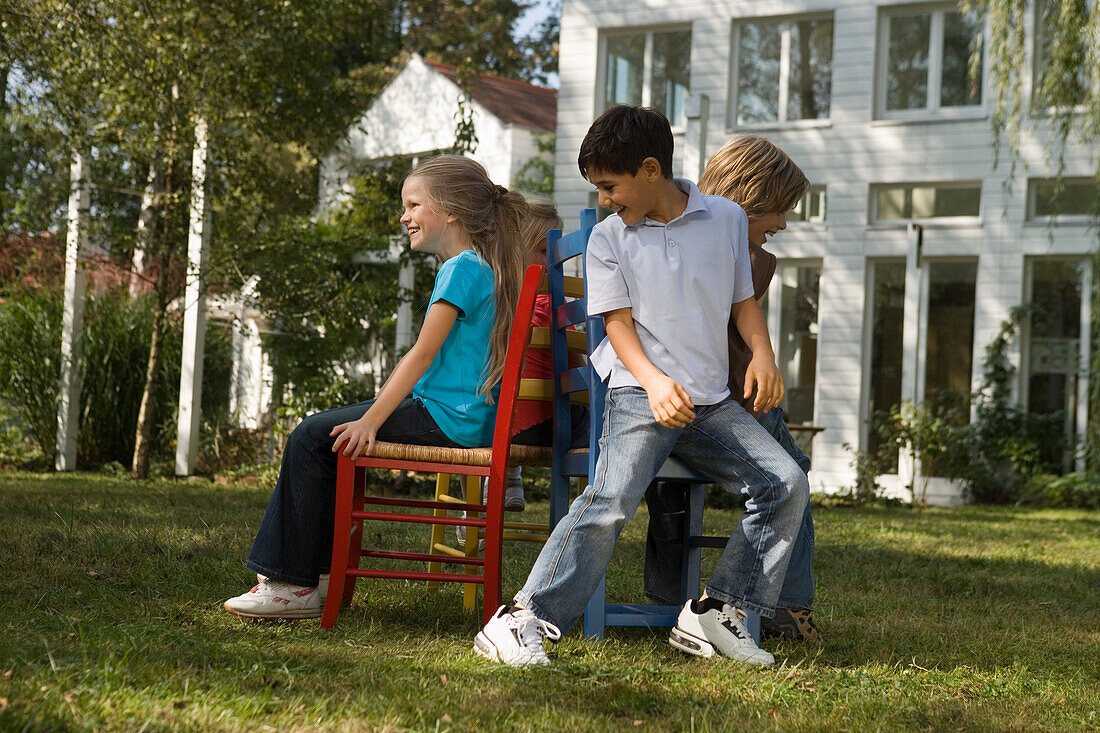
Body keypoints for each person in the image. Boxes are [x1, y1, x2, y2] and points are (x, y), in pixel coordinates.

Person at [473, 105, 809, 667]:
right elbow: (617, 325)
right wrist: (654, 384)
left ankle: (715, 612)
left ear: (651, 169)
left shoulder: (726, 219)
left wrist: (765, 355)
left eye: (610, 185)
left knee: (786, 481)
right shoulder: (608, 239)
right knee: (611, 499)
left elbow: (742, 303)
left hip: (711, 403)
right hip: (638, 392)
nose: (604, 198)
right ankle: (522, 617)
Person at [224, 155, 527, 620]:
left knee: (310, 437)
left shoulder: (461, 269)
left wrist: (371, 420)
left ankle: (289, 584)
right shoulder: (483, 266)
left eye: (413, 205)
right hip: (459, 415)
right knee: (322, 436)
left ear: (450, 210)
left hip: (447, 418)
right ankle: (318, 575)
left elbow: (421, 354)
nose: (404, 216)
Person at [642, 135, 820, 642]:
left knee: (671, 477)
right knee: (794, 471)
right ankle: (786, 604)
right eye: (779, 211)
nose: (783, 224)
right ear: (752, 198)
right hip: (702, 400)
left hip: (654, 396)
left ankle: (668, 592)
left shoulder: (663, 229)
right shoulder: (743, 256)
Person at [456, 200, 590, 544]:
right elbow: (577, 372)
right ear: (518, 250)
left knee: (487, 403)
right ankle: (513, 486)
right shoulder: (559, 304)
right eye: (544, 251)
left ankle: (481, 501)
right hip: (554, 426)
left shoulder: (493, 303)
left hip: (498, 427)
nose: (553, 262)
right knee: (590, 413)